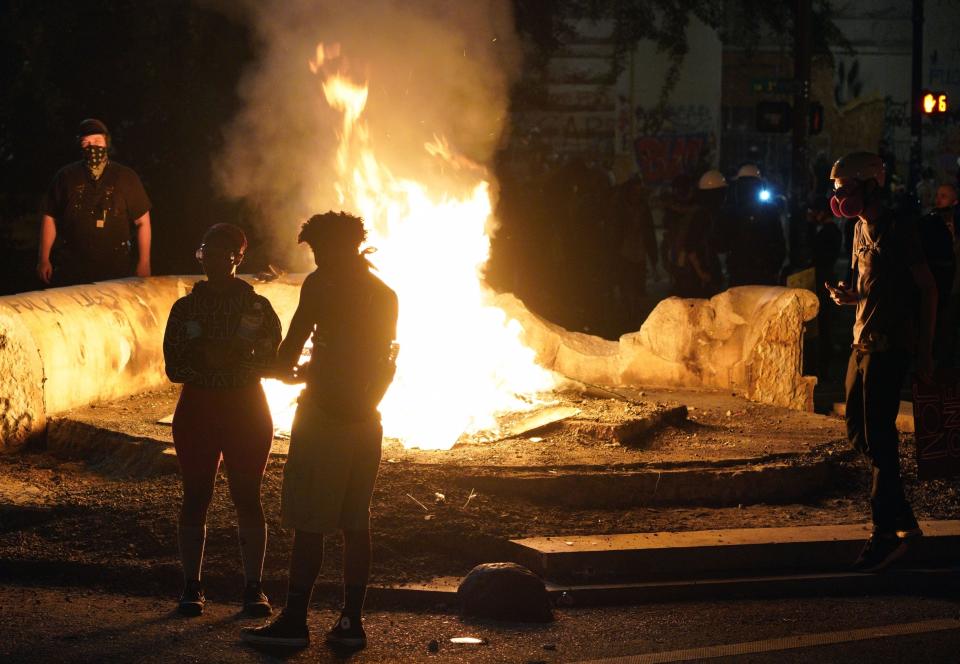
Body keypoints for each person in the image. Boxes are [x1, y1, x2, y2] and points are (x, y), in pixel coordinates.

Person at [242, 211, 398, 651]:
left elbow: (291, 349)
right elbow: (385, 361)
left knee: (309, 522)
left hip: (324, 417)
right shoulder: (385, 294)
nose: (317, 258)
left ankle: (294, 620)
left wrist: (278, 368)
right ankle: (352, 622)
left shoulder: (322, 285)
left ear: (336, 247)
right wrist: (363, 401)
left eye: (319, 249)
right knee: (355, 524)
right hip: (366, 420)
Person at [825, 152, 937, 572]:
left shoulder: (899, 230)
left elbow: (927, 289)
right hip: (862, 342)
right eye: (837, 192)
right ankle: (904, 521)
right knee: (860, 435)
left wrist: (925, 351)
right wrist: (848, 296)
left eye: (846, 190)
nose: (839, 199)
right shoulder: (857, 230)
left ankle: (884, 533)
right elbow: (867, 286)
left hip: (889, 349)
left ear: (870, 186)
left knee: (881, 441)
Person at [163, 223, 282, 617]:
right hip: (199, 407)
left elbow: (271, 360)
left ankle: (254, 588)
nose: (213, 261)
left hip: (245, 407)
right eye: (206, 253)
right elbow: (174, 366)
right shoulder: (185, 308)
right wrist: (223, 354)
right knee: (196, 494)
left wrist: (223, 354)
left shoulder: (258, 308)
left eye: (222, 254)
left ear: (238, 258)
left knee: (247, 495)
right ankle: (192, 585)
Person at [38, 118, 152, 286]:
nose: (93, 147)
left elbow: (143, 222)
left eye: (97, 141)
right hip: (73, 266)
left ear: (106, 142)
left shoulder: (125, 177)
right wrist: (43, 259)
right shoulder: (65, 176)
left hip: (116, 268)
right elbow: (50, 217)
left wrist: (144, 262)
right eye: (86, 142)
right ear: (79, 146)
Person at [721, 170, 786, 286]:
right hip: (751, 271)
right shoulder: (734, 211)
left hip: (754, 271)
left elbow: (779, 242)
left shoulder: (768, 210)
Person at [919, 183, 958, 367]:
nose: (938, 199)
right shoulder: (930, 223)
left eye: (943, 196)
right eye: (938, 195)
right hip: (939, 285)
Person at [671, 170, 725, 298]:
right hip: (694, 276)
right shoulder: (703, 215)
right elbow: (691, 245)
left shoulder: (699, 211)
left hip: (689, 273)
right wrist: (702, 273)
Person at [613, 173, 658, 327]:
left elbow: (649, 233)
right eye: (634, 191)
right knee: (626, 285)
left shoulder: (642, 208)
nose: (636, 194)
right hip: (624, 253)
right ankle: (628, 315)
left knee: (638, 287)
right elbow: (615, 232)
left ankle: (635, 316)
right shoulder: (619, 207)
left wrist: (653, 258)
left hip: (638, 253)